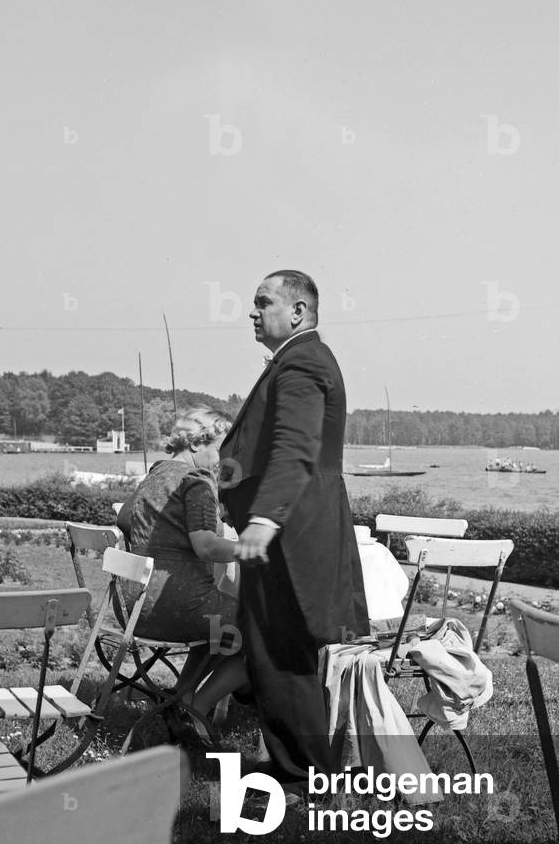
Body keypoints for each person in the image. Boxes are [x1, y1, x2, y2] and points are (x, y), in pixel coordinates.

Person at [219, 270, 369, 793]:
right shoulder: (295, 358)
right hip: (290, 526)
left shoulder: (303, 359)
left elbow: (295, 446)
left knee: (286, 648)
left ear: (299, 311)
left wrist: (264, 518)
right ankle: (292, 764)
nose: (252, 313)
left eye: (263, 302)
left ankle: (309, 774)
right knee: (269, 646)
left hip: (293, 531)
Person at [116, 406, 248, 722]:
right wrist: (251, 548)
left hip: (137, 607)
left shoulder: (157, 473)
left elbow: (123, 518)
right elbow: (206, 546)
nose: (222, 461)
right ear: (195, 445)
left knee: (219, 627)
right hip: (180, 604)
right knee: (262, 633)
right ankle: (196, 709)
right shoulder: (196, 480)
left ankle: (181, 697)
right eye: (219, 450)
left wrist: (158, 543)